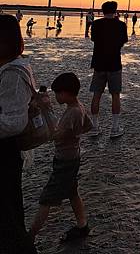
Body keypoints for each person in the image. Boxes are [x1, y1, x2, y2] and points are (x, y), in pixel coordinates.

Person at [29, 73, 92, 244]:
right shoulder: (80, 107)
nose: (56, 97)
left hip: (65, 161)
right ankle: (82, 225)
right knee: (72, 192)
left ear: (65, 93)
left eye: (57, 94)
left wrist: (45, 109)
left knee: (46, 198)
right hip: (73, 157)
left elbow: (55, 136)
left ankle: (30, 236)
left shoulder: (72, 113)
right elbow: (89, 125)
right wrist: (74, 136)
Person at [0, 15, 38, 254]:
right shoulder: (6, 68)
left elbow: (13, 122)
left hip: (4, 153)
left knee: (8, 217)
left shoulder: (13, 73)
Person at [90, 1, 128, 138]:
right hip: (114, 64)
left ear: (102, 11)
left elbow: (93, 39)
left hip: (98, 63)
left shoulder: (96, 24)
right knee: (115, 95)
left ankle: (94, 126)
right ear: (115, 10)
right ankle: (115, 128)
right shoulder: (121, 25)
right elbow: (123, 41)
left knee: (96, 95)